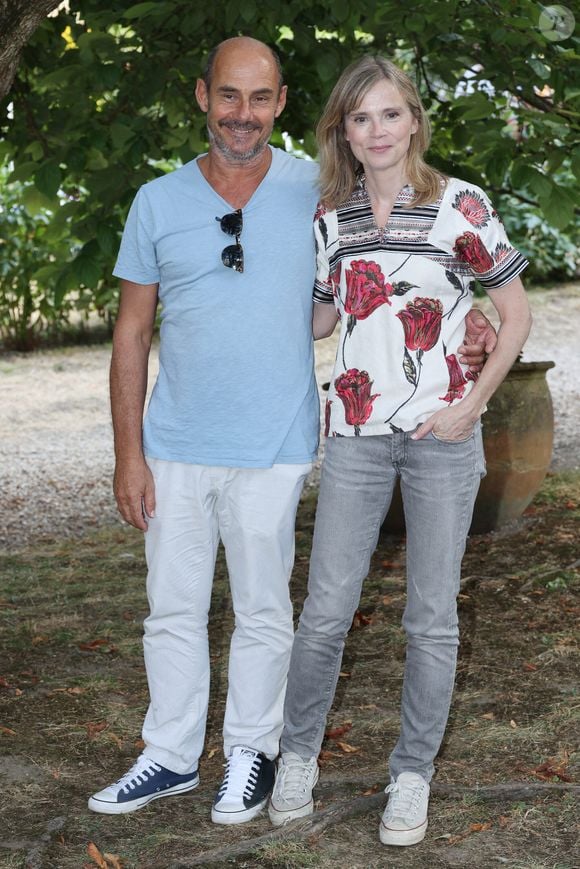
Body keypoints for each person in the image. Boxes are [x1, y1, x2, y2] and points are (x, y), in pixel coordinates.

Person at [88, 39, 495, 825]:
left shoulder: (322, 189)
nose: (244, 114)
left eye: (262, 98)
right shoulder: (155, 201)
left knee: (267, 611)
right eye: (230, 96)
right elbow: (131, 335)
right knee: (169, 608)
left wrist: (467, 319)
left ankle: (252, 754)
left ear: (280, 104)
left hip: (277, 439)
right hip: (173, 441)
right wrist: (128, 454)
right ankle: (169, 756)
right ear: (204, 96)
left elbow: (401, 261)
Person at [268, 56, 532, 847]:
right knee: (322, 614)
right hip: (354, 437)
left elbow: (513, 316)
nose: (375, 131)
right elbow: (317, 321)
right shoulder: (330, 217)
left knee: (430, 620)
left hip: (441, 441)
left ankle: (411, 774)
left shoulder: (461, 205)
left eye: (389, 115)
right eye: (359, 118)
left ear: (413, 120)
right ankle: (297, 756)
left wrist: (470, 407)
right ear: (342, 132)